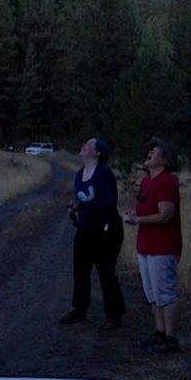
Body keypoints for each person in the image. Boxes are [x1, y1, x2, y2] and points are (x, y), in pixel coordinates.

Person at [123, 137, 183, 354]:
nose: (149, 154)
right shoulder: (147, 181)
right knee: (152, 293)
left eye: (154, 151)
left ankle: (171, 338)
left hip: (163, 247)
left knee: (165, 293)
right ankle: (160, 331)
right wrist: (134, 214)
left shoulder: (166, 182)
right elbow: (147, 208)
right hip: (146, 245)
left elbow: (166, 215)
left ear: (164, 160)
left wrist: (138, 219)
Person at [60, 138, 127, 330]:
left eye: (89, 144)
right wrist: (74, 207)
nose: (84, 145)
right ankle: (79, 308)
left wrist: (83, 205)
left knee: (106, 271)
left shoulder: (104, 173)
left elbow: (110, 203)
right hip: (86, 229)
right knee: (80, 270)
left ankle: (114, 315)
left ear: (97, 153)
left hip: (107, 229)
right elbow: (81, 201)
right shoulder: (79, 174)